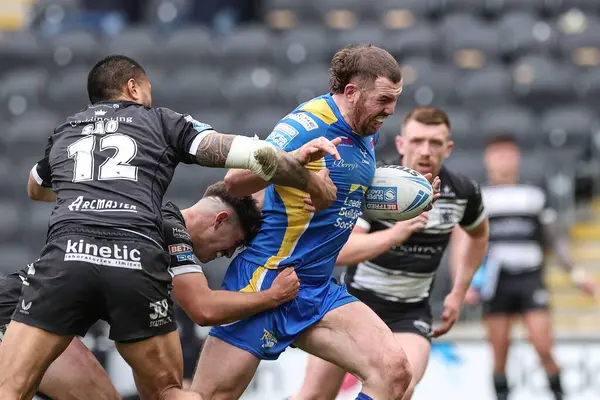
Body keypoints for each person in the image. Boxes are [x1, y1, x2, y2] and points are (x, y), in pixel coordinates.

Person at [0, 55, 340, 399]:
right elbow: (253, 155)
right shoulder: (161, 122)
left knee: (13, 388)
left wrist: (88, 192)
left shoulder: (68, 130)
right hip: (131, 256)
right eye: (148, 88)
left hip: (66, 260)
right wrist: (304, 174)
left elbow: (34, 187)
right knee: (167, 391)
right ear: (133, 88)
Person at [190, 44, 440, 400]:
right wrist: (293, 162)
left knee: (394, 373)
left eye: (395, 99)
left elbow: (349, 194)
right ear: (351, 91)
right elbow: (235, 182)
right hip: (267, 278)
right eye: (385, 99)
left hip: (317, 289)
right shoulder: (306, 124)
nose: (392, 109)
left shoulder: (367, 128)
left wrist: (408, 200)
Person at [0, 181, 303, 400]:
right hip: (17, 310)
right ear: (220, 220)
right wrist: (272, 296)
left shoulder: (149, 224)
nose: (224, 254)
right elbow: (204, 308)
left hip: (29, 306)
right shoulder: (168, 229)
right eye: (232, 245)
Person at [291, 106, 489, 400]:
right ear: (400, 144)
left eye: (435, 143)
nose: (425, 150)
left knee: (400, 387)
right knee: (314, 396)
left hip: (409, 313)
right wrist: (397, 233)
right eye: (417, 140)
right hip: (354, 303)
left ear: (448, 149)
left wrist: (459, 291)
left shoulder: (462, 192)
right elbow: (343, 251)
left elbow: (479, 234)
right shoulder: (375, 183)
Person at [464, 134, 598, 400]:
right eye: (497, 155)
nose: (503, 161)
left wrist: (577, 274)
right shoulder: (479, 198)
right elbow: (469, 247)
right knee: (499, 352)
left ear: (517, 158)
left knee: (543, 345)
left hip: (530, 279)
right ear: (487, 160)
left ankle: (559, 394)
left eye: (508, 154)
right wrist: (467, 283)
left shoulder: (533, 195)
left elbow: (555, 240)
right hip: (496, 282)